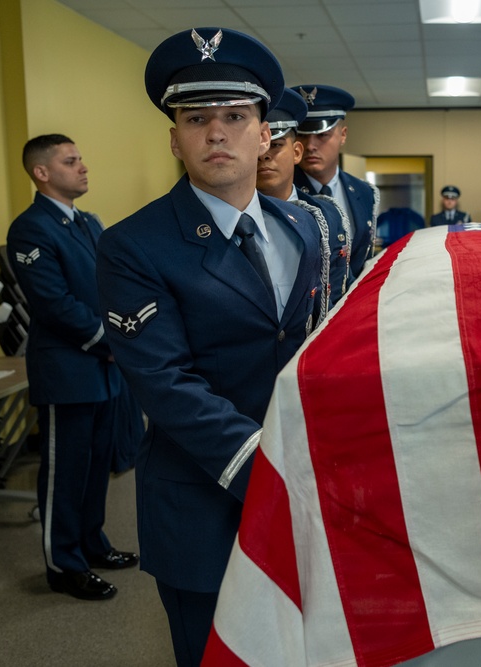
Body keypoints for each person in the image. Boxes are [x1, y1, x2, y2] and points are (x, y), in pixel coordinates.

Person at [96, 28, 324, 666]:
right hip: (205, 495)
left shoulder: (301, 227)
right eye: (196, 119)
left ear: (265, 133)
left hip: (305, 488)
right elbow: (166, 382)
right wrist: (265, 471)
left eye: (235, 116)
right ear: (175, 138)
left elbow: (308, 344)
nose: (216, 133)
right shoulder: (133, 245)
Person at [6, 134, 139, 601]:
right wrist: (108, 341)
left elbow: (109, 284)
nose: (83, 167)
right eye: (70, 161)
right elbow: (53, 304)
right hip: (68, 369)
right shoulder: (31, 229)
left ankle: (91, 542)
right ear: (42, 173)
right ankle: (63, 564)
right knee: (66, 472)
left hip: (102, 368)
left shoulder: (88, 222)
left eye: (81, 158)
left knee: (96, 465)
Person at [256, 87, 349, 311]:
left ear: (297, 152)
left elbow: (338, 292)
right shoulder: (238, 220)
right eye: (256, 147)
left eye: (276, 145)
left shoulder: (327, 215)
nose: (264, 155)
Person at [291, 84, 379, 277]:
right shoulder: (281, 190)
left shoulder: (364, 192)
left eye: (322, 135)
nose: (310, 146)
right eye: (302, 135)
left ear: (343, 135)